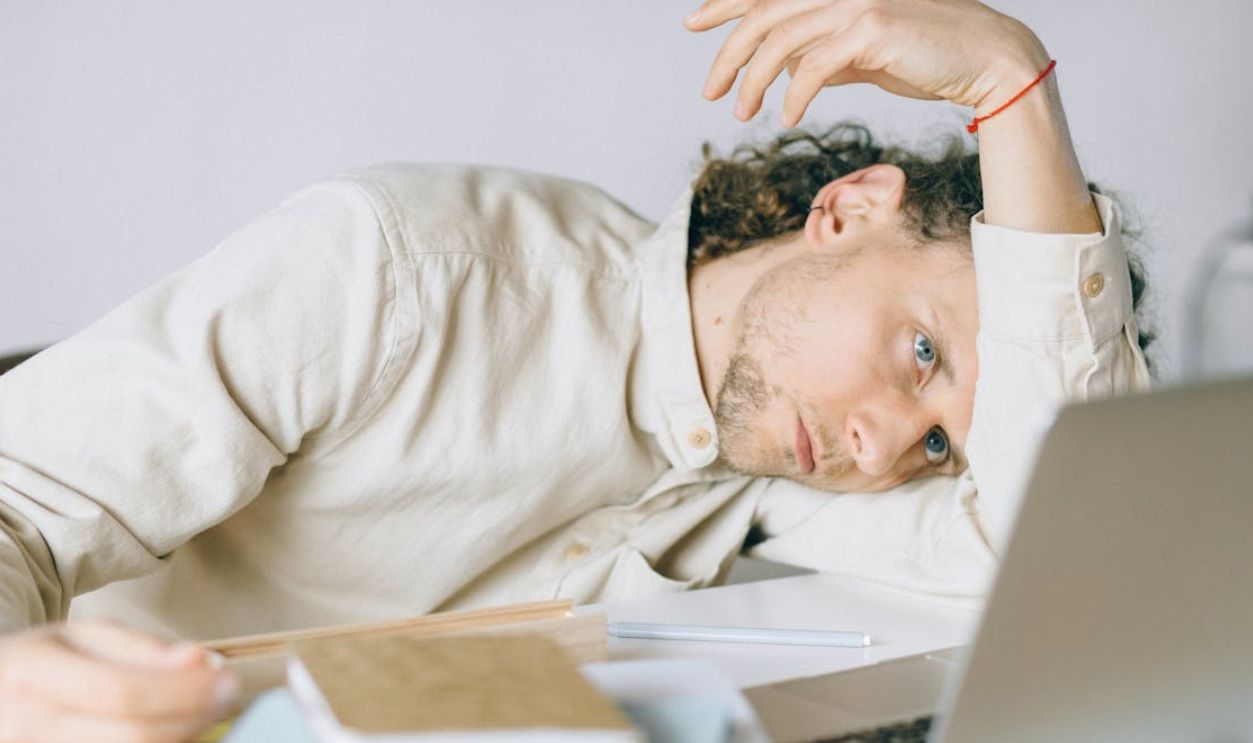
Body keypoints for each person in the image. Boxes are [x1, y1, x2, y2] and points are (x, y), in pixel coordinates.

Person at [0, 1, 1150, 740]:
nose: (887, 445)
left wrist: (1011, 88)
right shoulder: (405, 265)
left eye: (941, 438)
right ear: (847, 211)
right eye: (921, 352)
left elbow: (1065, 557)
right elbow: (19, 501)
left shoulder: (767, 472)